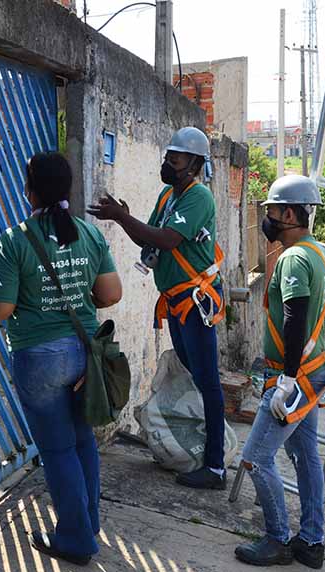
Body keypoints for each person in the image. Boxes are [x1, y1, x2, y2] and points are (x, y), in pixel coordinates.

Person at [0, 152, 122, 566]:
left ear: (30, 191)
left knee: (58, 451)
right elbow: (111, 295)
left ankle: (76, 540)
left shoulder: (14, 239)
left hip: (38, 359)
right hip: (83, 355)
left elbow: (2, 308)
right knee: (82, 443)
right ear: (68, 190)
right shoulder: (87, 233)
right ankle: (88, 523)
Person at [87, 127, 227, 490]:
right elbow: (148, 237)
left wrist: (121, 217)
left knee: (207, 380)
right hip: (177, 302)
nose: (167, 163)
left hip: (195, 303)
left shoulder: (199, 199)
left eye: (175, 159)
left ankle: (215, 466)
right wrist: (126, 218)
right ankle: (201, 447)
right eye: (167, 156)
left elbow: (166, 239)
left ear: (194, 163)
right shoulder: (169, 196)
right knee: (194, 375)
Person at [234, 174, 325, 570]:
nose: (269, 218)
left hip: (293, 377)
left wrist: (286, 380)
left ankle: (278, 538)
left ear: (292, 213)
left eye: (274, 211)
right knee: (305, 455)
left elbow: (297, 319)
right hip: (312, 372)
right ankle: (312, 542)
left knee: (256, 459)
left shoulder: (296, 258)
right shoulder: (320, 255)